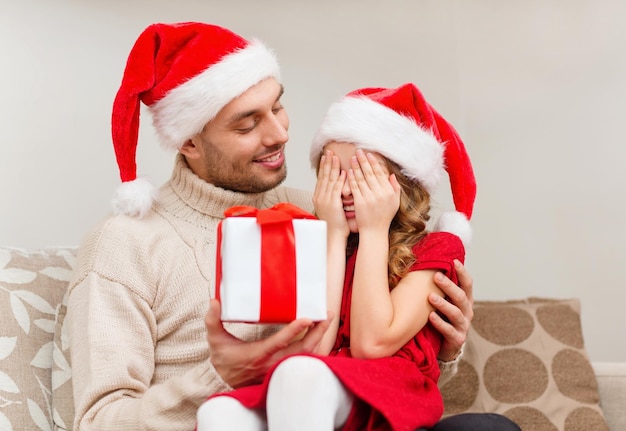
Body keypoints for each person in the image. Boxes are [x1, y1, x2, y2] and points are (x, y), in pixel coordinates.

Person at [66, 21, 515, 431]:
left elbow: (376, 359)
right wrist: (218, 376)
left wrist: (443, 342)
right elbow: (99, 423)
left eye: (278, 107)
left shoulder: (324, 211)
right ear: (189, 142)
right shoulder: (125, 244)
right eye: (248, 124)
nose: (280, 134)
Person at [195, 83, 512, 431]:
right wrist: (333, 234)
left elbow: (371, 344)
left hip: (385, 394)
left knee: (299, 374)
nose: (345, 190)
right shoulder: (322, 242)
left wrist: (375, 230)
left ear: (402, 182)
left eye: (361, 175)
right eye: (334, 174)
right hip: (321, 392)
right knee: (218, 413)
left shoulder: (436, 247)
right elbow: (317, 349)